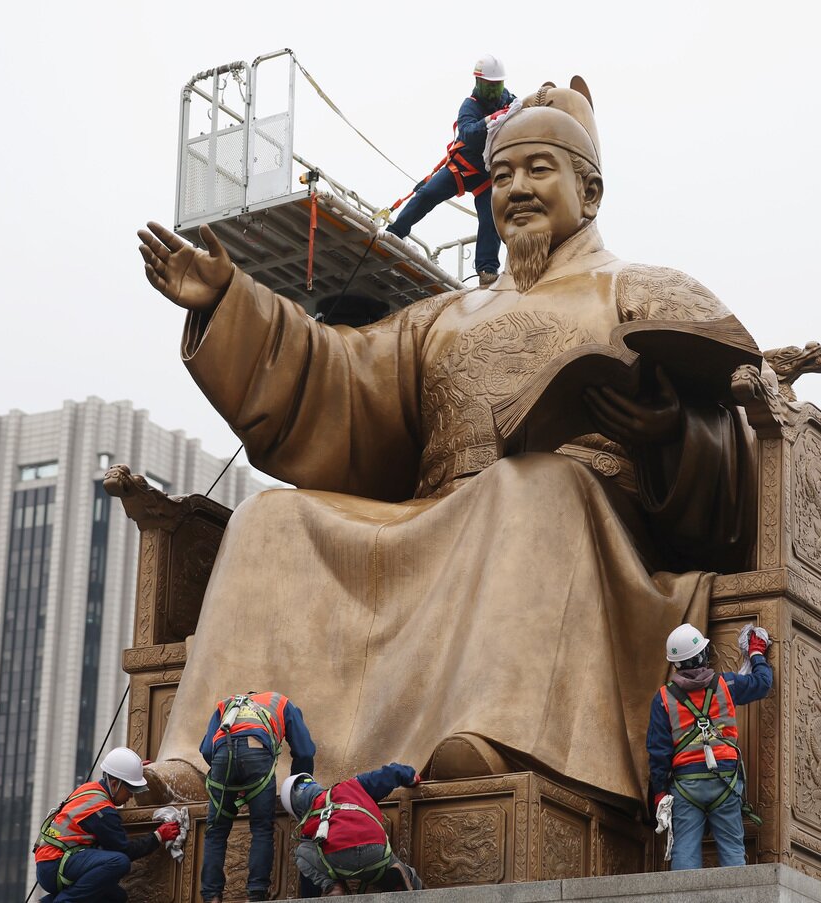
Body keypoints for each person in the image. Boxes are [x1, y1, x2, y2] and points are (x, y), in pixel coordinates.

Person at [135, 76, 754, 809]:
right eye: (500, 175)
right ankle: (216, 760)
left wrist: (670, 434)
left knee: (530, 483)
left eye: (537, 170)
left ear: (589, 193)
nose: (516, 188)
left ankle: (497, 735)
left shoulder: (643, 289)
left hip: (593, 541)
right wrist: (231, 302)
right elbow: (341, 379)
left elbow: (743, 424)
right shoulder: (445, 315)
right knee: (273, 518)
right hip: (437, 521)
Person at [647, 623, 772, 870]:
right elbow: (762, 683)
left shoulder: (663, 698)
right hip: (724, 781)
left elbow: (658, 752)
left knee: (684, 850)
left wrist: (660, 793)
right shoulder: (727, 685)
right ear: (703, 655)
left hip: (686, 785)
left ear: (676, 664)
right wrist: (756, 653)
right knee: (732, 849)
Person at [386, 55, 516, 285]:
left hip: (486, 175)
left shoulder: (509, 101)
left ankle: (487, 269)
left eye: (498, 86)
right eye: (490, 86)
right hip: (462, 168)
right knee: (427, 194)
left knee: (491, 217)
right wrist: (490, 120)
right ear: (479, 83)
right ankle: (395, 233)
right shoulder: (470, 105)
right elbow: (468, 134)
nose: (494, 92)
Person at [200, 691, 316, 903]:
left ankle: (211, 896)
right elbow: (305, 752)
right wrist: (296, 788)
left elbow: (207, 749)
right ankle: (256, 894)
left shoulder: (226, 704)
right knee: (261, 828)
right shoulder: (280, 702)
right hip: (257, 752)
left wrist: (232, 777)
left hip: (221, 756)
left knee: (215, 831)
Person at [33, 747, 180, 902]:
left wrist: (135, 772)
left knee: (116, 897)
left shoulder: (90, 788)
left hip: (51, 864)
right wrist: (158, 836)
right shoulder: (102, 810)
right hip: (56, 865)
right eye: (130, 788)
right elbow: (124, 850)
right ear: (115, 784)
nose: (131, 795)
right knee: (119, 862)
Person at [280, 765, 423, 895]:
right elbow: (390, 773)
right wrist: (411, 777)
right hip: (376, 851)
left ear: (298, 811)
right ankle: (407, 879)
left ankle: (333, 887)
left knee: (301, 853)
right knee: (395, 868)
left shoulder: (309, 822)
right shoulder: (352, 786)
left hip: (339, 861)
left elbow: (309, 866)